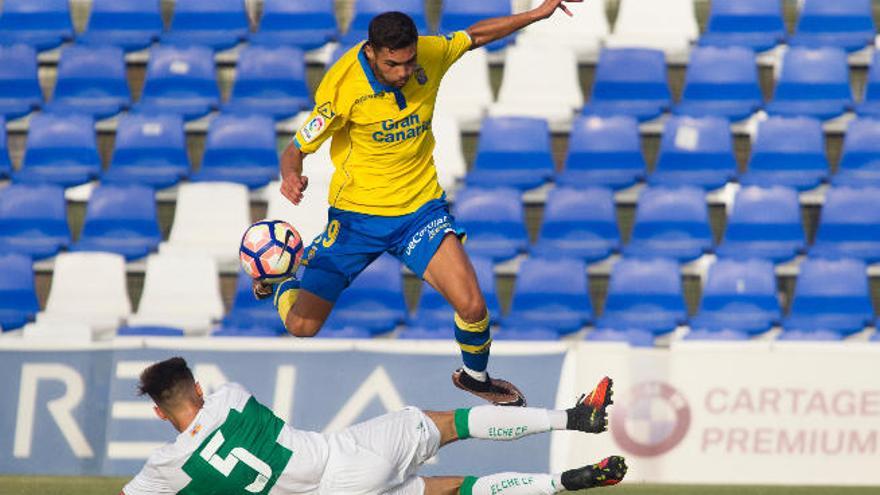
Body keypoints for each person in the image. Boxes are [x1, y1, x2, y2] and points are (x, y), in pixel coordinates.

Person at [257, 0, 586, 407]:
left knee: (472, 304)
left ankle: (475, 377)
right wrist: (291, 175)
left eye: (409, 62)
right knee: (302, 326)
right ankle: (279, 281)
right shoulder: (341, 89)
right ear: (373, 52)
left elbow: (477, 35)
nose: (404, 73)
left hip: (419, 212)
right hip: (356, 220)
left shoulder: (429, 53)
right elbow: (296, 148)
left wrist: (535, 14)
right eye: (394, 65)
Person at [121, 357, 626, 495]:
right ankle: (575, 418)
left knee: (451, 489)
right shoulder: (228, 397)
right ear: (199, 390)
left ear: (159, 412)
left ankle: (566, 484)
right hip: (346, 459)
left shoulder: (165, 470)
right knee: (452, 423)